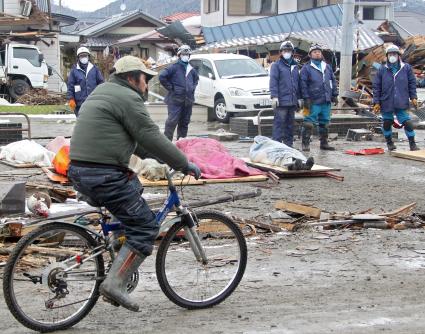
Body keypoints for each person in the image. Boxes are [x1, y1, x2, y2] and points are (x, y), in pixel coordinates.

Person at [67, 56, 201, 312]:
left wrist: (157, 159)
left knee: (134, 190)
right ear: (132, 78)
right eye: (145, 79)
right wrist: (184, 163)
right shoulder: (127, 98)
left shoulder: (103, 91)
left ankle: (119, 245)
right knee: (146, 227)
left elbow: (139, 143)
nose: (147, 85)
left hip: (80, 171)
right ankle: (114, 284)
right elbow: (151, 135)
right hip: (103, 175)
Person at [372, 44, 419, 151]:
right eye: (390, 54)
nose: (392, 56)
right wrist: (377, 102)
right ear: (387, 56)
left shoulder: (406, 68)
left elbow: (412, 83)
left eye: (394, 54)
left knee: (407, 123)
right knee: (387, 122)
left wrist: (413, 97)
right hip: (386, 101)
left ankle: (412, 144)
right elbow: (376, 87)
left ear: (398, 56)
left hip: (401, 101)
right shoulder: (382, 70)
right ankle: (389, 143)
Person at [300, 44, 339, 152]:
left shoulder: (327, 66)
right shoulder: (306, 68)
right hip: (312, 101)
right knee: (308, 122)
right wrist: (306, 98)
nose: (317, 53)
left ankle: (324, 143)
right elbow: (303, 84)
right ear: (310, 55)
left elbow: (332, 81)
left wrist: (334, 94)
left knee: (325, 122)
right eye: (314, 52)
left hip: (325, 100)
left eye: (319, 52)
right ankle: (305, 143)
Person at [159, 45, 199, 141]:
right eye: (184, 54)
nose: (186, 56)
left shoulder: (191, 69)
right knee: (172, 122)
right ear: (179, 55)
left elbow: (196, 80)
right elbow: (162, 77)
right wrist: (171, 88)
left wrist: (192, 89)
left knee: (184, 123)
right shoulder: (173, 67)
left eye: (187, 54)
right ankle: (167, 144)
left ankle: (181, 143)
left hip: (188, 101)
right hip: (175, 100)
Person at [269, 40, 301, 148]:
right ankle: (277, 145)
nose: (287, 52)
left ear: (292, 52)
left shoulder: (296, 66)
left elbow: (298, 83)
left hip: (292, 101)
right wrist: (274, 96)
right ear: (281, 52)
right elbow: (273, 82)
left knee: (290, 125)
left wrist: (299, 98)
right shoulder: (276, 66)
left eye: (289, 50)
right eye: (285, 50)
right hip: (281, 101)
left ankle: (288, 145)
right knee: (279, 124)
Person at [67, 46, 104, 116]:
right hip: (79, 103)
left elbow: (101, 83)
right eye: (81, 56)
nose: (84, 57)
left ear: (88, 57)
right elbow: (70, 86)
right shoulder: (74, 71)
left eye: (85, 55)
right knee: (81, 122)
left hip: (93, 102)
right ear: (78, 58)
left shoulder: (94, 69)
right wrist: (71, 99)